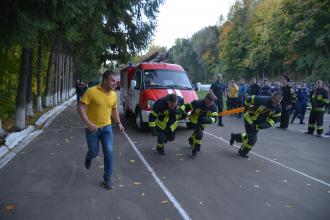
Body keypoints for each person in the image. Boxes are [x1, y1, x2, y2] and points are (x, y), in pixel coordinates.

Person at [78, 70, 124, 190]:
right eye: (112, 80)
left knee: (109, 153)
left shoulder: (114, 94)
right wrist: (88, 123)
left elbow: (114, 110)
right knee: (94, 152)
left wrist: (118, 123)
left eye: (115, 81)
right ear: (105, 80)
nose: (115, 83)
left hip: (107, 128)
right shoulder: (91, 91)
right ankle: (89, 156)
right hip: (92, 129)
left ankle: (107, 178)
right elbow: (81, 107)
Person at [230, 92, 282, 157]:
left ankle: (235, 137)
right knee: (253, 139)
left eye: (280, 99)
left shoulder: (278, 108)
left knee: (250, 136)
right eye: (277, 99)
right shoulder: (262, 99)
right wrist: (246, 108)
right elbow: (249, 99)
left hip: (258, 124)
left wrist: (266, 125)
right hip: (249, 119)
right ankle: (242, 152)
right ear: (273, 97)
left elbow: (274, 119)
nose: (278, 101)